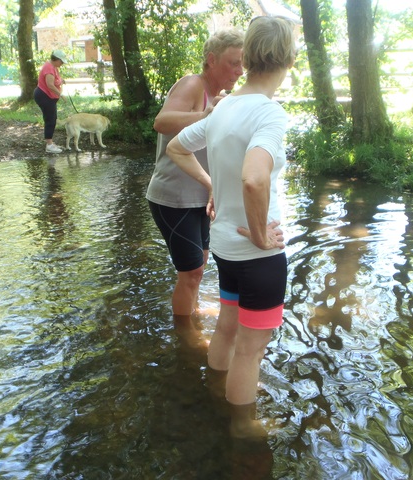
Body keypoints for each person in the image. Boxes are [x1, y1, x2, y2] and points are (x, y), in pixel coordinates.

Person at [166, 16, 296, 438]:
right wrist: (260, 235)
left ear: (250, 57)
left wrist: (212, 187)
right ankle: (243, 429)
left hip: (223, 243)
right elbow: (255, 177)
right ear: (289, 59)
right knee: (252, 350)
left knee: (226, 327)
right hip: (257, 253)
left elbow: (175, 146)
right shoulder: (270, 113)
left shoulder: (225, 108)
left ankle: (213, 393)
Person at [145, 29, 245, 345]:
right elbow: (161, 122)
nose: (239, 72)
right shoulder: (193, 85)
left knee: (197, 269)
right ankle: (185, 337)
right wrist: (204, 115)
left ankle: (191, 314)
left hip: (202, 195)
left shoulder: (224, 98)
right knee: (190, 273)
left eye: (242, 65)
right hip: (172, 197)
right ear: (211, 60)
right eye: (233, 64)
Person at [33, 49, 68, 154]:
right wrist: (60, 94)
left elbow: (55, 80)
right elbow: (50, 85)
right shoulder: (49, 68)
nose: (62, 64)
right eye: (61, 61)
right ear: (56, 59)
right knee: (50, 120)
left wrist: (61, 81)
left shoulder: (53, 67)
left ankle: (50, 142)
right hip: (44, 96)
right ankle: (49, 145)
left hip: (49, 97)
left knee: (53, 118)